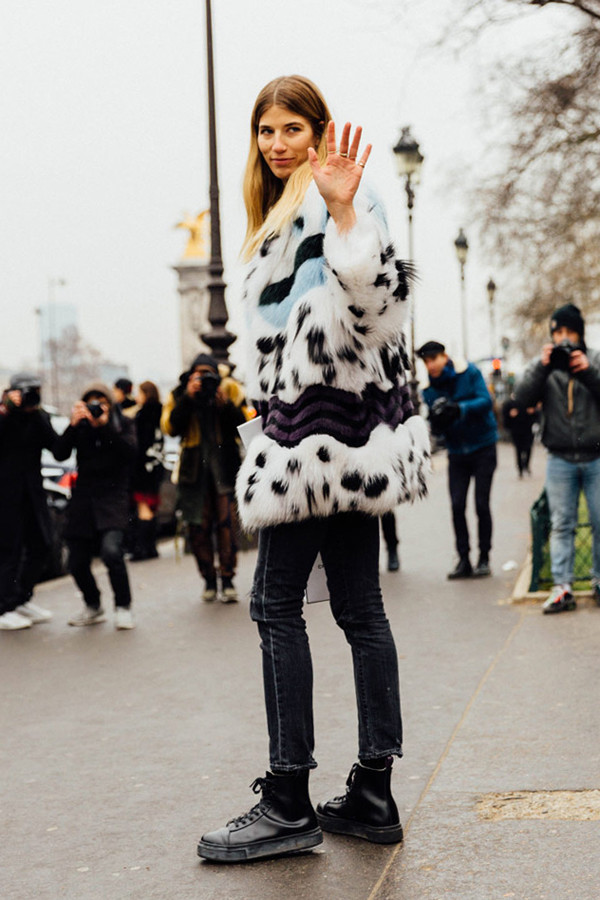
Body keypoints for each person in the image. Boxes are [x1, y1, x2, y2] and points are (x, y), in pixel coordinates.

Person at [197, 75, 430, 864]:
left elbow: (374, 301)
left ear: (318, 130)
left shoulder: (335, 199)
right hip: (341, 438)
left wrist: (340, 210)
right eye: (265, 130)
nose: (275, 143)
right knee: (359, 609)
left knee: (275, 608)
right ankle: (371, 789)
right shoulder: (280, 214)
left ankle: (289, 796)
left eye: (291, 127)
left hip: (314, 442)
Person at [515, 303, 600, 614]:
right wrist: (543, 366)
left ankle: (599, 580)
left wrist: (589, 373)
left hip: (596, 456)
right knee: (562, 524)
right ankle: (562, 588)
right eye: (558, 332)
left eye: (570, 331)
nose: (564, 339)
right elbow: (521, 398)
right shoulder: (545, 367)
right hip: (560, 458)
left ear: (580, 333)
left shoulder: (594, 360)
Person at [161, 354, 246, 603]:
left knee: (227, 524)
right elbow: (171, 428)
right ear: (190, 375)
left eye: (208, 375)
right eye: (199, 375)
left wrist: (226, 405)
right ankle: (209, 579)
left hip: (224, 467)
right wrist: (188, 397)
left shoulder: (230, 389)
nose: (204, 380)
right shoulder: (179, 393)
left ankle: (228, 579)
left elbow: (244, 428)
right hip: (194, 470)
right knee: (197, 526)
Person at [53, 383, 137, 629]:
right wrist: (72, 423)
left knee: (112, 552)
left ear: (110, 405)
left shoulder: (124, 425)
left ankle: (123, 606)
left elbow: (129, 454)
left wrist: (105, 427)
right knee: (76, 561)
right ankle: (93, 605)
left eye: (101, 402)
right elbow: (59, 453)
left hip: (113, 498)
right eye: (90, 402)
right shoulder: (81, 427)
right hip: (83, 500)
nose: (96, 408)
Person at [418, 340, 497, 579]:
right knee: (457, 505)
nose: (430, 365)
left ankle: (484, 557)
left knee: (481, 504)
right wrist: (438, 421)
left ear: (444, 357)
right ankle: (463, 559)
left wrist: (459, 408)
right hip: (457, 452)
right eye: (426, 361)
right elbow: (437, 426)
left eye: (433, 359)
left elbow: (486, 401)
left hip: (483, 446)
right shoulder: (428, 389)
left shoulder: (469, 372)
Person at [0, 374, 57, 630]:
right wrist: (7, 410)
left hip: (33, 494)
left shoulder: (38, 417)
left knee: (43, 545)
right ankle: (3, 607)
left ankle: (21, 598)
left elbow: (59, 449)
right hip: (6, 495)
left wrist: (37, 414)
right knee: (8, 552)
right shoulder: (3, 415)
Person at [130, 381, 164, 561]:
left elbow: (140, 445)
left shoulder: (143, 415)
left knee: (143, 507)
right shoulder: (160, 412)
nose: (137, 397)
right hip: (156, 466)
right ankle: (151, 547)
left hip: (143, 468)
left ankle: (143, 548)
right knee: (151, 508)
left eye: (139, 393)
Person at [502, 394, 538, 478]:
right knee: (518, 449)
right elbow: (505, 416)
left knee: (528, 448)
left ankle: (526, 465)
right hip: (516, 430)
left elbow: (537, 413)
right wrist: (510, 415)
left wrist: (533, 412)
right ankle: (520, 468)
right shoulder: (509, 403)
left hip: (528, 429)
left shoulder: (528, 401)